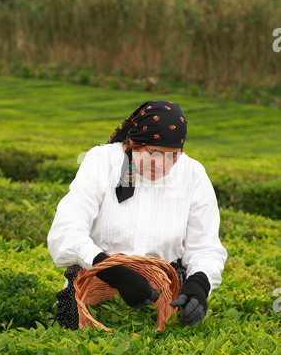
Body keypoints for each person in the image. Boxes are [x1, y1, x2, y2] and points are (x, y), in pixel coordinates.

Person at [47, 100, 227, 329]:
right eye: (154, 153)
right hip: (94, 283)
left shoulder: (193, 174)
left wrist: (200, 283)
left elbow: (205, 247)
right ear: (132, 143)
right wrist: (112, 271)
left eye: (173, 155)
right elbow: (65, 232)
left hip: (162, 295)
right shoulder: (101, 161)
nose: (162, 164)